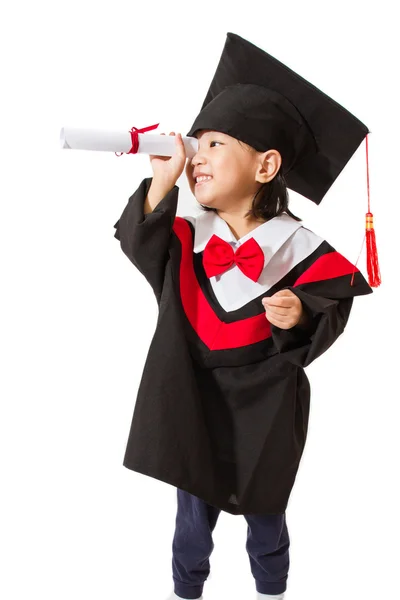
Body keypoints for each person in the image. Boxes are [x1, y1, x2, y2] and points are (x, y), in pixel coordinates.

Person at [113, 32, 373, 600]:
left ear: (265, 165)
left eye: (213, 144)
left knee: (266, 518)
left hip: (266, 406)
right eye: (194, 145)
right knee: (190, 525)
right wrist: (162, 178)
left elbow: (333, 309)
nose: (196, 157)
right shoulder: (184, 236)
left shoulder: (301, 247)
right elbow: (139, 243)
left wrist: (300, 313)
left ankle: (271, 590)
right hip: (192, 398)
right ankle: (188, 590)